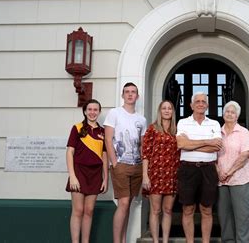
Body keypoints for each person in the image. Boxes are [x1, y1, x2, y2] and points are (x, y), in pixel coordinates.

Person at [176, 92, 222, 243]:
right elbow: (181, 144)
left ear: (207, 105)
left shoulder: (214, 123)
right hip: (187, 169)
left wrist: (192, 145)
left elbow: (216, 147)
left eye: (204, 101)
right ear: (191, 105)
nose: (201, 104)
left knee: (206, 209)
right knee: (188, 209)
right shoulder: (183, 122)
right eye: (197, 101)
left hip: (208, 169)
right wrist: (207, 142)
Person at [104, 82, 147, 243]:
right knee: (122, 203)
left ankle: (123, 239)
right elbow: (108, 139)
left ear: (137, 96)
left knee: (128, 204)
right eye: (127, 92)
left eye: (133, 92)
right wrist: (114, 162)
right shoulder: (114, 113)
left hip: (136, 165)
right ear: (123, 95)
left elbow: (142, 145)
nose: (130, 94)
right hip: (120, 164)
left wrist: (143, 167)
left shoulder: (141, 120)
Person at [65, 99, 108, 243]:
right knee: (78, 211)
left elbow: (104, 156)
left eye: (95, 110)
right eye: (89, 109)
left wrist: (105, 178)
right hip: (78, 172)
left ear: (99, 112)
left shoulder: (103, 132)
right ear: (85, 111)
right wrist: (72, 176)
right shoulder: (76, 128)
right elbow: (69, 152)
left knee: (89, 211)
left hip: (95, 175)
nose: (92, 112)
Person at [141, 100, 180, 243]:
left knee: (168, 210)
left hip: (172, 175)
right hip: (155, 175)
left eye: (169, 108)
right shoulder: (152, 129)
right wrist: (145, 176)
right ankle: (156, 240)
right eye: (164, 108)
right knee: (156, 210)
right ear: (160, 111)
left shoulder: (177, 130)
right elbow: (145, 154)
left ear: (172, 112)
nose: (167, 111)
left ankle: (165, 240)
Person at [217, 101, 249, 243]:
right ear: (223, 114)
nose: (230, 114)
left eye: (233, 112)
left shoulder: (243, 132)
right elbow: (212, 156)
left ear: (237, 115)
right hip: (221, 181)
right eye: (227, 111)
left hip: (240, 180)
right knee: (224, 218)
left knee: (242, 217)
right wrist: (220, 172)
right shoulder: (217, 132)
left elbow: (245, 154)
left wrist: (229, 172)